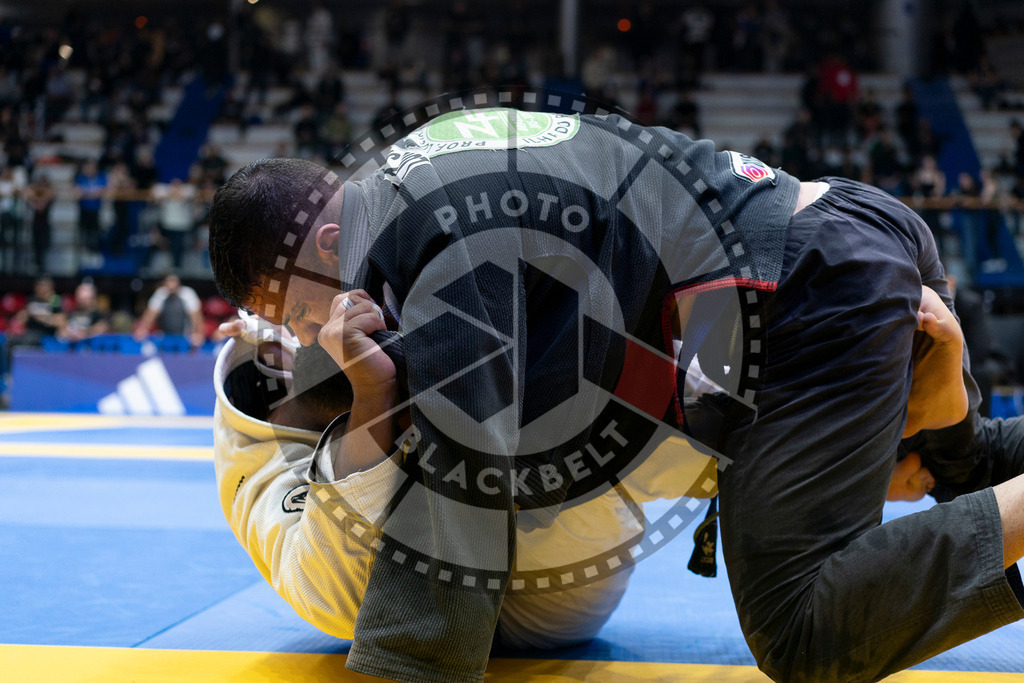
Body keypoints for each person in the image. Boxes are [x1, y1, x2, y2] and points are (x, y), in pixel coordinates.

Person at [208, 107, 1021, 683]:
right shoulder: (425, 168)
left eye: (299, 313)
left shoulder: (429, 244)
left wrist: (410, 665)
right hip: (844, 229)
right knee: (952, 460)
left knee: (802, 627)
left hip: (804, 292)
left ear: (327, 243)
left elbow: (463, 462)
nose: (314, 334)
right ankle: (947, 427)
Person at [212, 316, 719, 651]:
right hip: (505, 617)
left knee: (552, 384)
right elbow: (336, 609)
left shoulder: (295, 336)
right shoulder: (258, 471)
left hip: (542, 570)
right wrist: (372, 394)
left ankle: (722, 438)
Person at [134, 274, 204, 347]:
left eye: (173, 282)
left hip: (185, 337)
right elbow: (150, 314)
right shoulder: (161, 293)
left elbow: (196, 316)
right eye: (169, 282)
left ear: (179, 284)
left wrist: (198, 333)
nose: (171, 285)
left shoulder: (188, 294)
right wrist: (143, 329)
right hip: (165, 337)